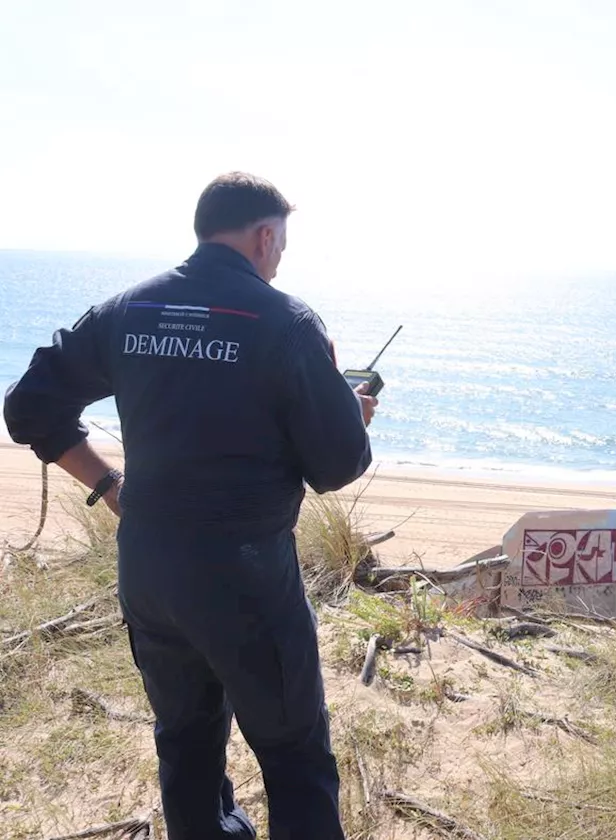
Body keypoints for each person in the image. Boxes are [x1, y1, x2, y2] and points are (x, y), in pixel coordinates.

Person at [2, 171, 376, 839]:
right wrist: (352, 414)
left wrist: (109, 486)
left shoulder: (128, 310)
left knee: (186, 743)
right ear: (265, 236)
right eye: (281, 243)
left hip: (149, 567)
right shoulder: (284, 322)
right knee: (294, 757)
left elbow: (29, 406)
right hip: (248, 575)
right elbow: (339, 465)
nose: (280, 256)